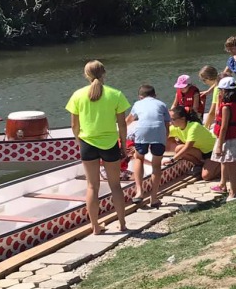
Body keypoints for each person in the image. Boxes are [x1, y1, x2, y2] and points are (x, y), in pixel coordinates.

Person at [66, 60, 129, 234]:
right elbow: (122, 125)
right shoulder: (115, 94)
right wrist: (123, 145)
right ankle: (122, 223)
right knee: (115, 185)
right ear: (104, 74)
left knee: (92, 186)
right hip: (110, 143)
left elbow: (74, 125)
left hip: (87, 143)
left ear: (86, 75)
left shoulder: (77, 95)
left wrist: (79, 142)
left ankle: (95, 226)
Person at [128, 84, 170, 208]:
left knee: (139, 158)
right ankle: (154, 198)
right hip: (158, 132)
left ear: (140, 97)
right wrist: (165, 137)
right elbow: (167, 125)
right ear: (155, 96)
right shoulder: (162, 104)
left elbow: (129, 120)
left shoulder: (137, 104)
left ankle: (139, 192)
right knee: (156, 165)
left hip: (142, 131)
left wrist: (120, 133)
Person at [212, 77, 236, 201]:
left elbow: (223, 128)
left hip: (228, 139)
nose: (219, 93)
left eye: (220, 91)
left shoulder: (226, 107)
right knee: (233, 166)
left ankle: (234, 194)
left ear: (225, 91)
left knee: (232, 167)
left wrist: (219, 146)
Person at [167, 105, 219, 181]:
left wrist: (172, 159)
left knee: (206, 176)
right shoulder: (175, 128)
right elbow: (162, 135)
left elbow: (187, 147)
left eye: (173, 119)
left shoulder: (194, 127)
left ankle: (224, 166)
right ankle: (200, 165)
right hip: (201, 152)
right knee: (178, 149)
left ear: (183, 119)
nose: (170, 122)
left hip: (213, 151)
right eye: (170, 119)